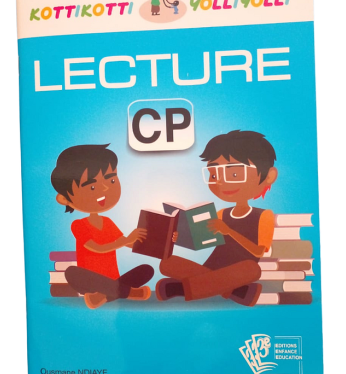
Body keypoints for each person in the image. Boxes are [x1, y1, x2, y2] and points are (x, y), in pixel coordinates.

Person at [157, 130, 278, 307]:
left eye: (234, 174)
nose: (220, 182)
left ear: (269, 176)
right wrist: (181, 236)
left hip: (241, 269)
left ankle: (181, 289)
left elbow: (258, 252)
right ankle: (234, 290)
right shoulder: (222, 214)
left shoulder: (263, 216)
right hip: (214, 268)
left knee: (252, 269)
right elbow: (203, 241)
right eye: (214, 175)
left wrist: (229, 231)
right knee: (167, 263)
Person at [51, 144, 153, 309]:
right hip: (90, 280)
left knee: (146, 270)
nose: (105, 188)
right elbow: (97, 248)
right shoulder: (78, 225)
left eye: (111, 180)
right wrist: (125, 240)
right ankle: (130, 292)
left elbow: (129, 243)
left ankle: (103, 295)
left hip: (112, 279)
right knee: (71, 272)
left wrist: (162, 239)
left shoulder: (107, 222)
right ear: (65, 199)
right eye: (92, 187)